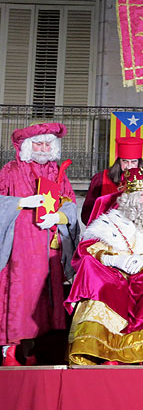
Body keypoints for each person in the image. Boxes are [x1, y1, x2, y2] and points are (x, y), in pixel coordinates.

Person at [65, 168, 143, 365]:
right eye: (142, 196)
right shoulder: (109, 222)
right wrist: (113, 260)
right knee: (96, 276)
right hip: (116, 277)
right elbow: (88, 248)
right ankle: (104, 350)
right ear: (129, 200)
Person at [0, 123, 79, 366]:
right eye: (38, 143)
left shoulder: (57, 173)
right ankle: (10, 352)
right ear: (26, 146)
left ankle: (31, 351)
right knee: (18, 299)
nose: (43, 148)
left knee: (41, 303)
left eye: (47, 144)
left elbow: (70, 204)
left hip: (47, 249)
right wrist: (20, 202)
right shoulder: (10, 171)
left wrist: (59, 217)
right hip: (19, 250)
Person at [81, 136, 143, 225]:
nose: (129, 166)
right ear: (119, 161)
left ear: (139, 162)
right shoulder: (101, 180)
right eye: (125, 162)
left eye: (133, 162)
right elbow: (88, 213)